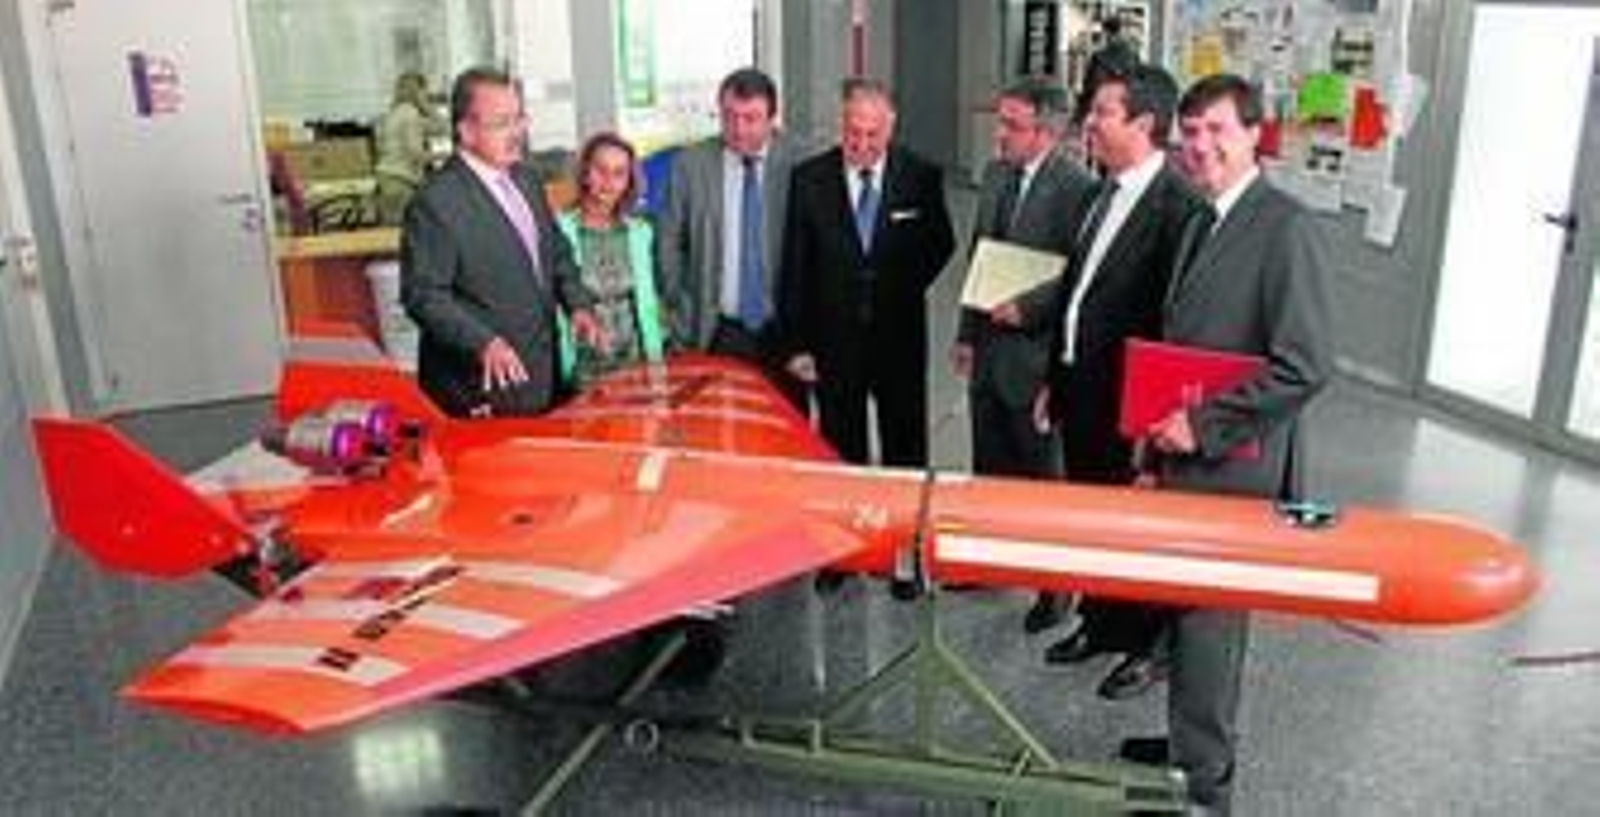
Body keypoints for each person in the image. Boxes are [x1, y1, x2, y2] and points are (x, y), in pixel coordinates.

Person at [1130, 73, 1335, 815]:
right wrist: (1155, 452)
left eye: (1217, 130)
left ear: (1256, 134)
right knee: (1186, 616)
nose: (1200, 145)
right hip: (1187, 459)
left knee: (1212, 631)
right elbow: (1183, 348)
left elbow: (1305, 365)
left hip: (1235, 469)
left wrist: (1204, 426)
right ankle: (1187, 745)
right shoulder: (1199, 218)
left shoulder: (1285, 226)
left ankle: (1205, 790)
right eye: (1190, 132)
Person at [1012, 64, 1211, 699]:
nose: (1088, 124)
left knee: (1138, 530)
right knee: (1091, 517)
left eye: (1102, 112)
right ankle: (1099, 623)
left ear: (1144, 124)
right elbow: (1077, 289)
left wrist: (1153, 428)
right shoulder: (1103, 190)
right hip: (1081, 388)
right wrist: (1055, 376)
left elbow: (1174, 329)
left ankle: (1145, 646)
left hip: (1134, 408)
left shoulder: (1181, 211)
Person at [952, 76, 1096, 631]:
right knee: (988, 469)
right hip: (987, 352)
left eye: (1012, 125)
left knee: (1042, 482)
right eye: (1000, 120)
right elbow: (978, 256)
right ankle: (990, 564)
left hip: (1035, 360)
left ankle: (1054, 589)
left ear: (1048, 132)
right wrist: (966, 333)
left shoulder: (1078, 189)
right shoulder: (995, 175)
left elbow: (1080, 281)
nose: (999, 134)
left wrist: (1029, 308)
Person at [401, 66, 605, 418]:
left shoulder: (526, 179)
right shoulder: (436, 202)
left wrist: (578, 305)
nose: (516, 133)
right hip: (480, 389)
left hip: (543, 378)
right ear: (465, 131)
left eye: (519, 119)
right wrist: (481, 342)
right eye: (502, 123)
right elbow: (424, 296)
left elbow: (556, 254)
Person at [780, 78, 956, 467]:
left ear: (890, 128)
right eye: (852, 133)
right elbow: (796, 265)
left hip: (899, 336)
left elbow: (941, 243)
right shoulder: (809, 179)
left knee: (905, 440)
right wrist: (796, 343)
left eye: (872, 134)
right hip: (833, 340)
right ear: (841, 126)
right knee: (841, 444)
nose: (861, 144)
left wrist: (900, 286)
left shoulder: (919, 176)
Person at [655, 67, 807, 401]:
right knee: (720, 426)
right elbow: (668, 241)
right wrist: (679, 306)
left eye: (750, 118)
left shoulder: (802, 163)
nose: (738, 129)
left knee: (786, 426)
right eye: (728, 116)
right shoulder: (690, 165)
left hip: (784, 330)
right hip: (717, 327)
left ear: (772, 118)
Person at [554, 132, 668, 386]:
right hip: (581, 373)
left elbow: (650, 302)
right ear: (584, 173)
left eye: (619, 173)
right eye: (600, 170)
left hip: (639, 369)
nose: (609, 181)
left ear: (629, 181)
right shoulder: (557, 230)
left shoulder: (641, 232)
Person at [374, 71, 443, 225]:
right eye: (425, 90)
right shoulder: (410, 115)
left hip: (388, 179)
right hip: (400, 182)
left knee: (393, 232)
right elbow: (415, 154)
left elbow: (440, 128)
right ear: (417, 91)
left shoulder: (396, 112)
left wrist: (427, 107)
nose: (428, 94)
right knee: (403, 233)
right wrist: (445, 156)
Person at [1074, 16, 1140, 129]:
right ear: (1121, 31)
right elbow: (1137, 84)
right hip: (1125, 111)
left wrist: (1080, 113)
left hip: (1103, 110)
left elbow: (1090, 87)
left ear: (1107, 33)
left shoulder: (1099, 58)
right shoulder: (1133, 56)